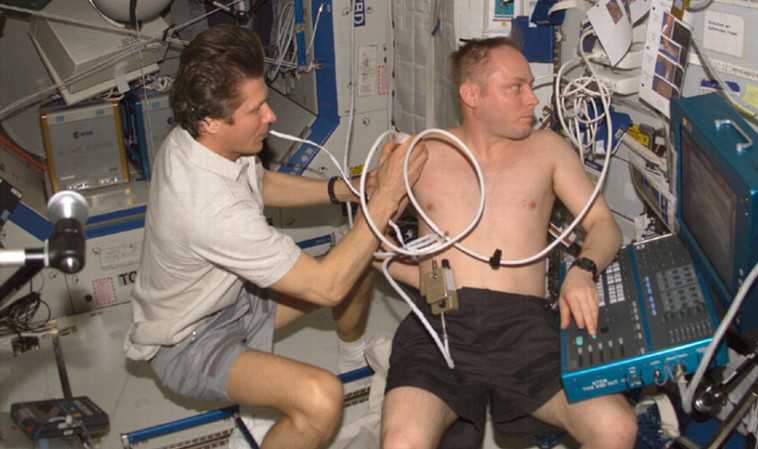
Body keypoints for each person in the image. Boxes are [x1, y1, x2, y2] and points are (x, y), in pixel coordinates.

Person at [122, 24, 426, 449]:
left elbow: (259, 184)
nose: (271, 116)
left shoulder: (197, 140)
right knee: (321, 398)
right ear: (211, 120)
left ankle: (352, 358)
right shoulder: (208, 208)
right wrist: (390, 195)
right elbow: (325, 287)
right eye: (257, 109)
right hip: (185, 341)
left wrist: (353, 189)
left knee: (354, 262)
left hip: (231, 303)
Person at [379, 37, 637, 449]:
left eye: (530, 87)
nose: (532, 100)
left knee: (616, 430)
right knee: (401, 443)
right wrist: (428, 279)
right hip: (441, 323)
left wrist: (583, 271)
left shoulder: (549, 150)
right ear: (471, 94)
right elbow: (370, 240)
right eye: (516, 88)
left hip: (525, 327)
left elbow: (605, 225)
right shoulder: (422, 153)